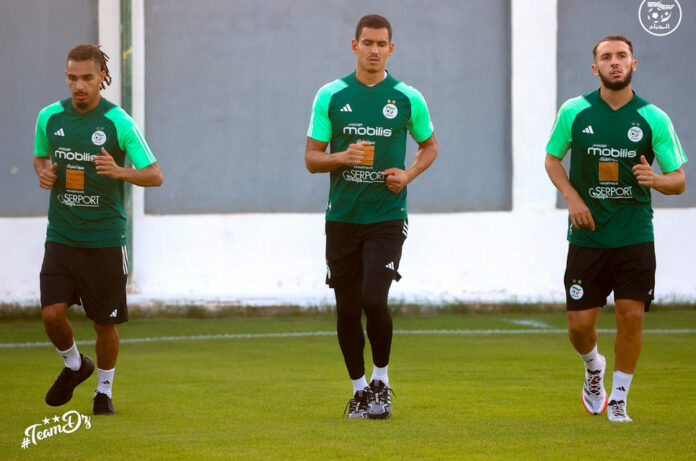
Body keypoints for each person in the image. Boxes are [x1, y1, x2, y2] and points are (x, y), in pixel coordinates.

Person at [545, 35, 687, 422]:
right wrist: (573, 198)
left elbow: (679, 180)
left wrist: (656, 180)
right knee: (579, 326)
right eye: (606, 57)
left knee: (631, 315)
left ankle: (620, 399)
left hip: (634, 234)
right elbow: (552, 159)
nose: (615, 62)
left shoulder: (654, 117)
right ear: (596, 68)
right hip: (588, 235)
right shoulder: (575, 111)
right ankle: (594, 368)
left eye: (622, 56)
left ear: (633, 64)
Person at [305, 14, 438, 419]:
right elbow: (311, 159)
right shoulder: (330, 95)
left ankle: (382, 381)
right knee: (347, 308)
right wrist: (343, 157)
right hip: (343, 217)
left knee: (373, 298)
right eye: (368, 43)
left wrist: (408, 173)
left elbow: (429, 146)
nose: (374, 50)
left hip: (386, 215)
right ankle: (359, 390)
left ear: (390, 49)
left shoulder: (407, 97)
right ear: (355, 45)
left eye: (382, 44)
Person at [33, 43, 163, 415]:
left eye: (87, 78)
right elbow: (40, 156)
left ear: (102, 78)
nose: (79, 85)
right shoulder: (49, 118)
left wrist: (119, 171)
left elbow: (155, 175)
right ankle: (75, 364)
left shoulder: (118, 123)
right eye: (72, 78)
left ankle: (103, 392)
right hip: (61, 236)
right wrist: (43, 172)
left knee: (103, 324)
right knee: (51, 314)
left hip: (104, 241)